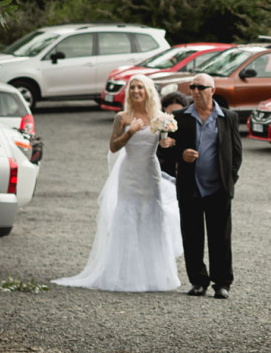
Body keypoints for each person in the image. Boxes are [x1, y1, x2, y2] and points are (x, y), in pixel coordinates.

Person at [53, 74, 182, 292]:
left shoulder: (159, 117)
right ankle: (125, 274)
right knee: (128, 215)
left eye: (140, 87)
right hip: (129, 172)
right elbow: (113, 147)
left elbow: (162, 142)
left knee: (152, 214)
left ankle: (156, 275)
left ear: (148, 91)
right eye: (133, 88)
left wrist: (167, 142)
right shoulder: (122, 117)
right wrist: (130, 133)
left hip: (150, 173)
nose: (136, 91)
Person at [161, 72, 242, 299]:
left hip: (218, 189)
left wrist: (229, 181)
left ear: (212, 91)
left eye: (201, 87)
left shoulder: (228, 117)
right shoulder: (179, 116)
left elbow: (236, 154)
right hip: (190, 187)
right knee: (192, 236)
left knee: (221, 238)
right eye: (193, 87)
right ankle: (198, 281)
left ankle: (222, 283)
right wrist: (181, 153)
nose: (196, 91)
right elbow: (164, 149)